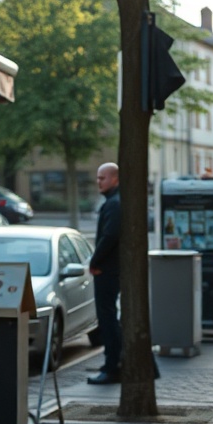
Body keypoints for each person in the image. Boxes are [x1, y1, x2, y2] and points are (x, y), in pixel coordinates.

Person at [88, 162, 122, 385]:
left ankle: (112, 366)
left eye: (103, 178)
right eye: (98, 178)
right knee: (110, 318)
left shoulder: (113, 204)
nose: (98, 182)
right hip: (112, 268)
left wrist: (95, 261)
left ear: (115, 179)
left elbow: (109, 236)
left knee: (107, 318)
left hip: (107, 270)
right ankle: (114, 363)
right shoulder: (114, 202)